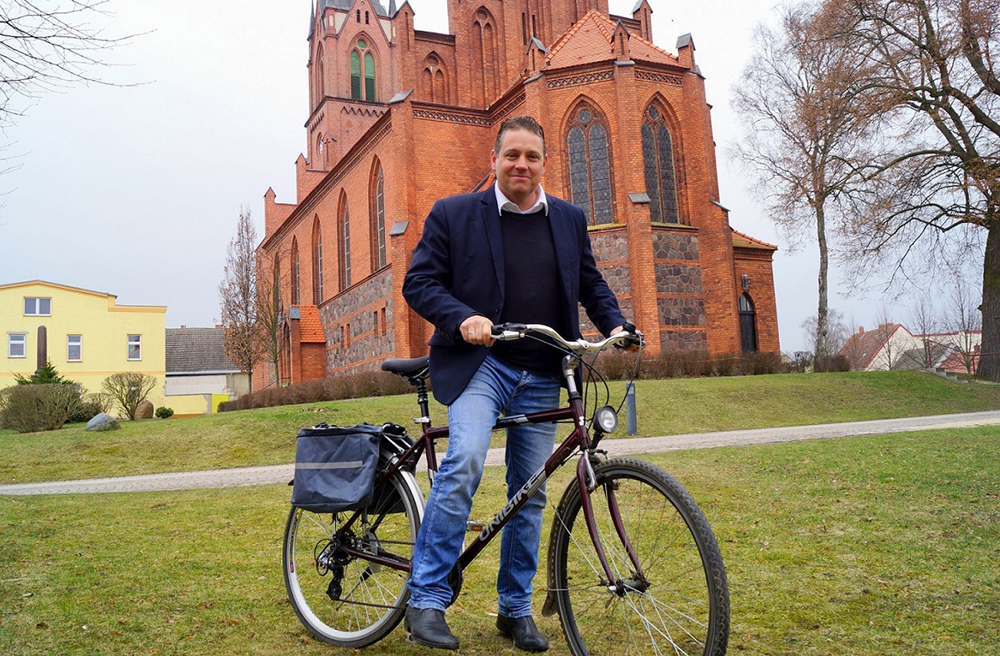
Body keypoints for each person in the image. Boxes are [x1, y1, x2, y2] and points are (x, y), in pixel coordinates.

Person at [401, 115, 628, 652]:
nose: (521, 165)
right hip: (482, 366)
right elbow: (419, 282)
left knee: (530, 491)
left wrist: (618, 324)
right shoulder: (455, 213)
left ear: (544, 163)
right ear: (495, 160)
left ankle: (514, 609)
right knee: (465, 461)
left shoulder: (569, 219)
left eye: (531, 156)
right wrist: (462, 318)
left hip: (546, 370)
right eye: (512, 155)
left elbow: (590, 284)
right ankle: (426, 599)